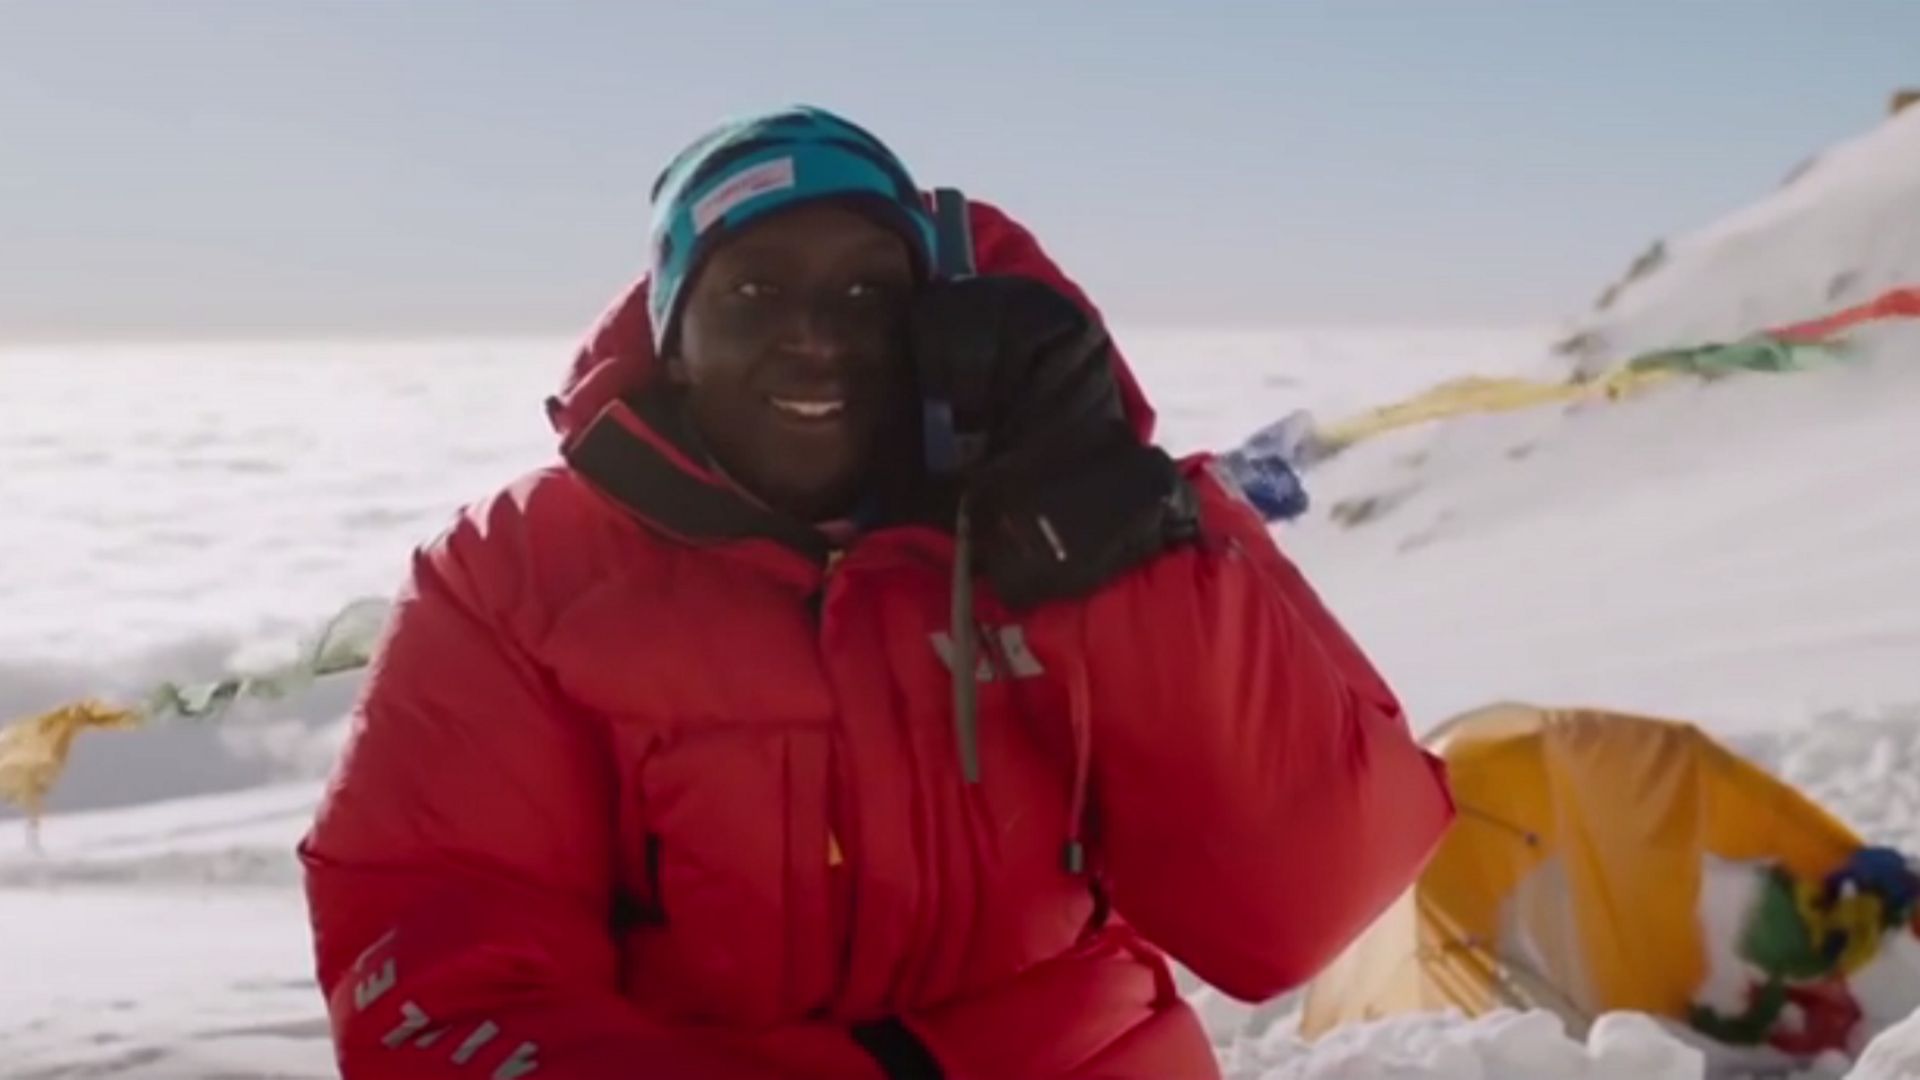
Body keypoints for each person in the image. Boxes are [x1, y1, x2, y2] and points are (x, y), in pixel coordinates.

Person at [299, 105, 1454, 1080]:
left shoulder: (1085, 512)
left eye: (866, 297)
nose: (815, 339)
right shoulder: (517, 577)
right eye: (752, 291)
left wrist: (1119, 544)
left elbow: (1297, 909)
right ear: (675, 341)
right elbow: (442, 968)